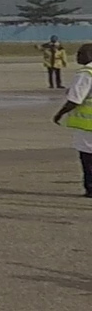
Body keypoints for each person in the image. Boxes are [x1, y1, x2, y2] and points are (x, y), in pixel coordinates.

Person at [50, 43, 92, 198]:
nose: (77, 56)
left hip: (88, 124)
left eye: (81, 53)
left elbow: (75, 99)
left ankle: (90, 188)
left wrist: (60, 113)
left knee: (87, 156)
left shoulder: (86, 73)